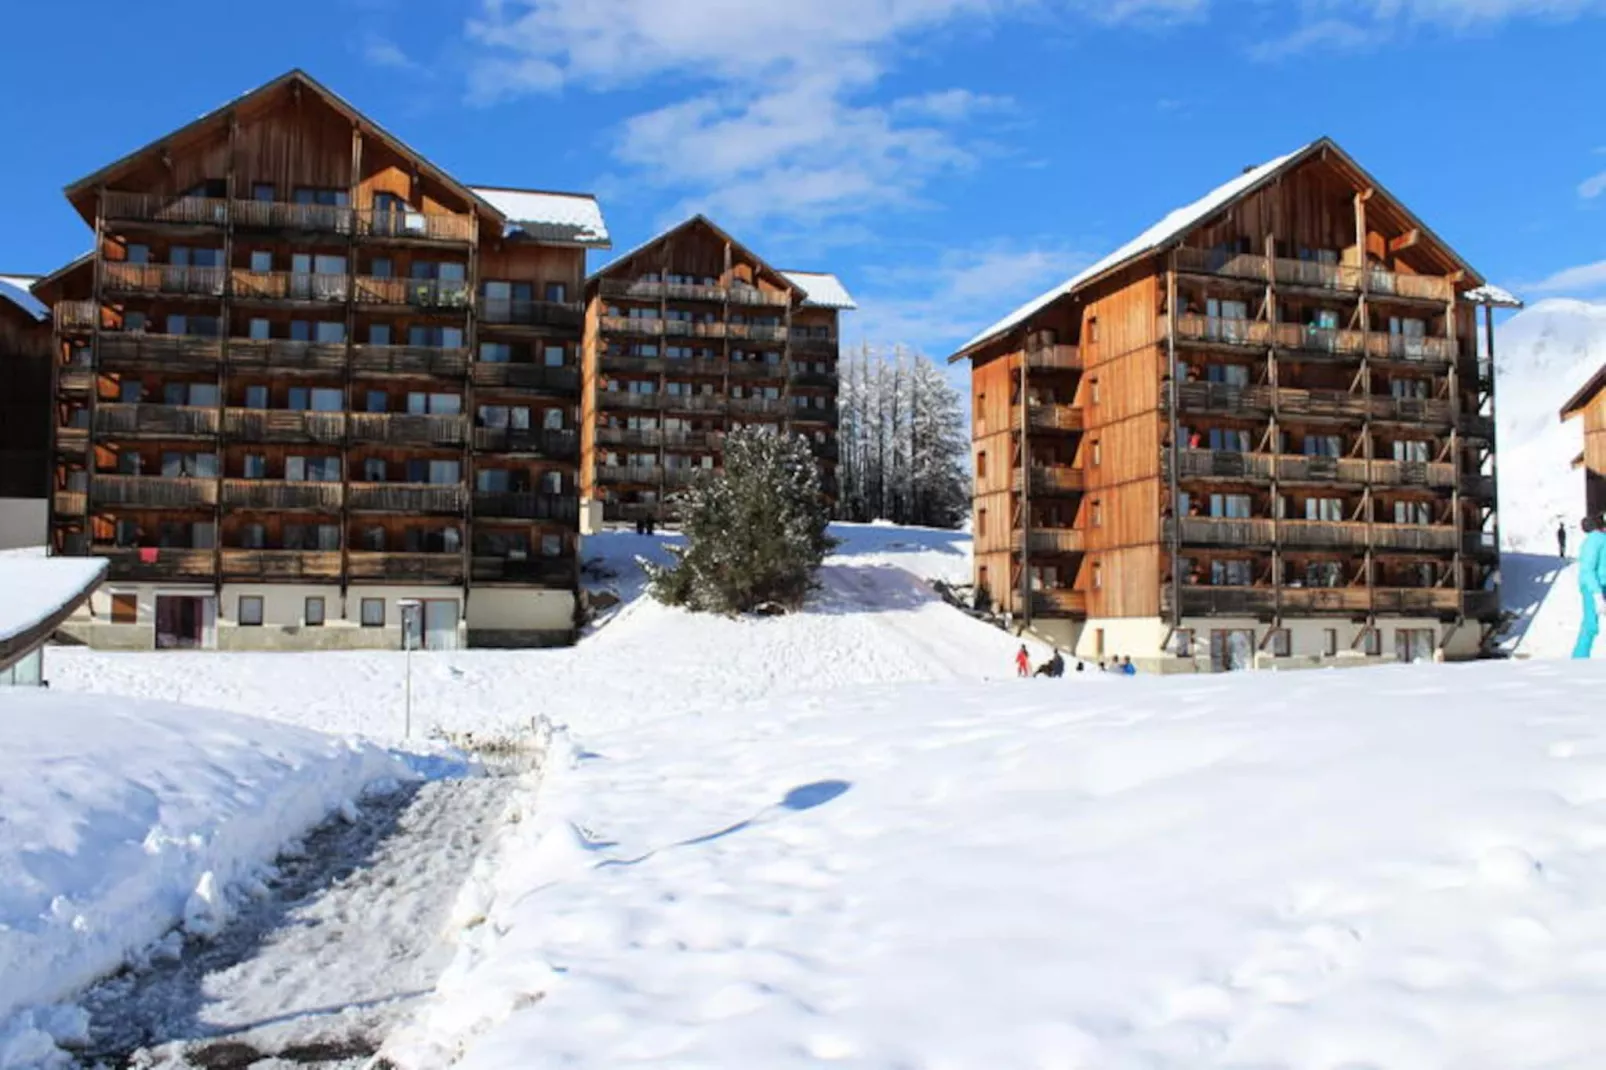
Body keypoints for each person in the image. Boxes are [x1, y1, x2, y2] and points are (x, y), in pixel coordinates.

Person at [1575, 515, 1606, 658]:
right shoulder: (1595, 540)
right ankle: (1579, 658)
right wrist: (1597, 594)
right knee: (1590, 625)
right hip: (1594, 587)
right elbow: (1587, 569)